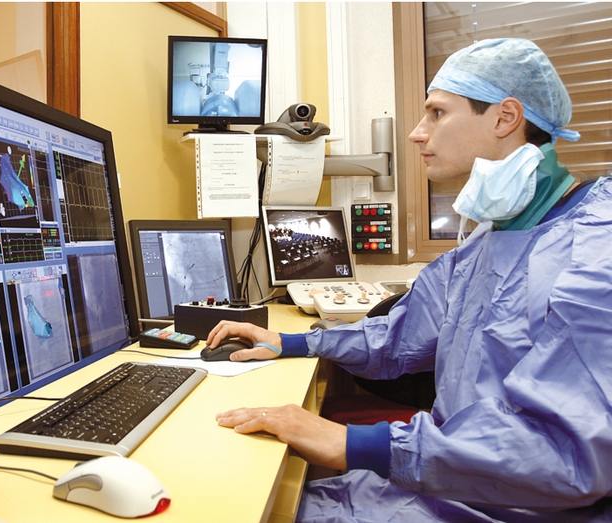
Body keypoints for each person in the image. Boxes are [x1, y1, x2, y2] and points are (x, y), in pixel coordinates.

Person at [207, 38, 612, 522]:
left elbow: (568, 455)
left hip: (520, 506)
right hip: (453, 479)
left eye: (437, 113)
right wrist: (291, 342)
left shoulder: (595, 252)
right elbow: (400, 334)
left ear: (505, 117)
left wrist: (356, 443)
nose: (418, 134)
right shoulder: (490, 240)